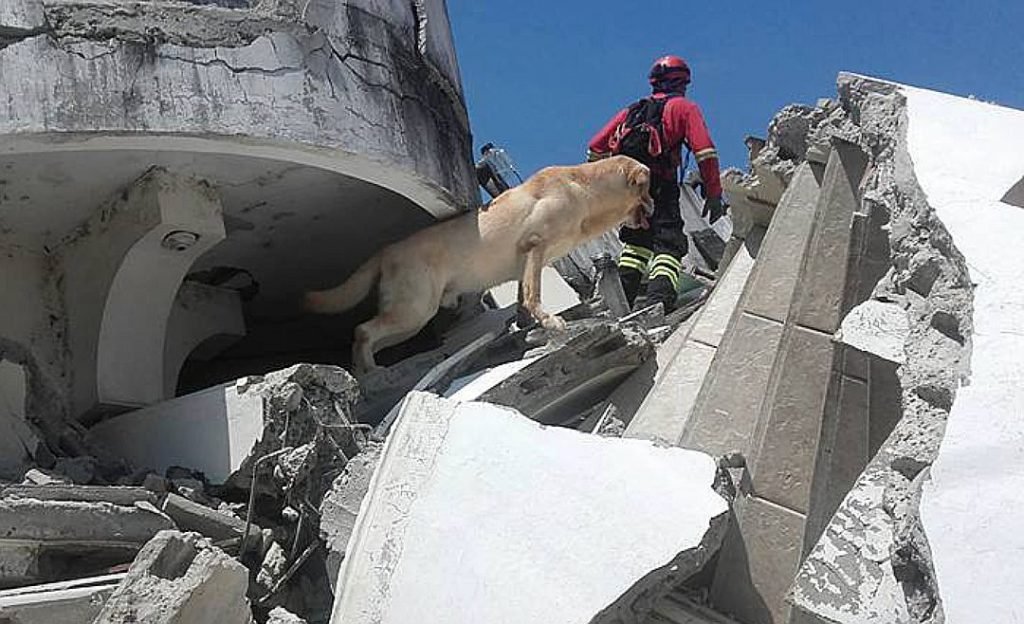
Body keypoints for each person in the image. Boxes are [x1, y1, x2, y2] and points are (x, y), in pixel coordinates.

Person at [587, 55, 725, 311]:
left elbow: (596, 146)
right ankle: (658, 302)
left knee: (635, 246)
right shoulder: (684, 108)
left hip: (629, 191)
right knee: (668, 245)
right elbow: (705, 152)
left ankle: (621, 304)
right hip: (661, 186)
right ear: (683, 82)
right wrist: (714, 193)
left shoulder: (632, 111)